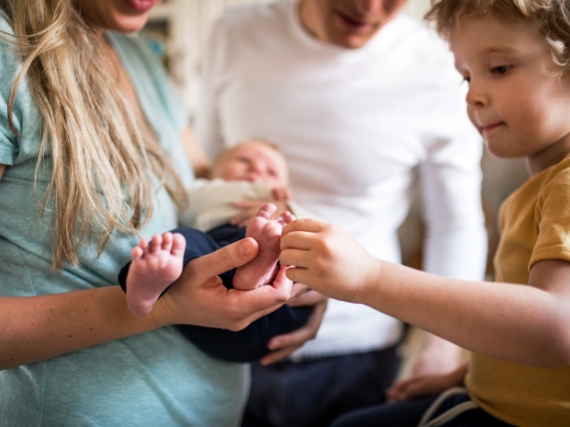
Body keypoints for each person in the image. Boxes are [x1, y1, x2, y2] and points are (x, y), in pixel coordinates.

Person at [0, 1, 322, 426]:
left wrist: (298, 274)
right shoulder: (9, 55)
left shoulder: (140, 56)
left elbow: (213, 192)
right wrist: (164, 308)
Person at [196, 0, 487, 425]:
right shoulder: (235, 33)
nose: (369, 7)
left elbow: (454, 223)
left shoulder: (438, 63)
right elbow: (206, 171)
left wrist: (441, 348)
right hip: (231, 338)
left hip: (358, 350)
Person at [280, 0, 570, 425]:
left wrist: (371, 278)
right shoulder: (541, 189)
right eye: (466, 76)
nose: (472, 93)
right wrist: (469, 373)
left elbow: (555, 328)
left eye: (500, 68)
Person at [118, 140, 314, 363]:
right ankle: (149, 287)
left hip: (278, 310)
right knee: (182, 241)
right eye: (244, 161)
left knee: (289, 250)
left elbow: (323, 232)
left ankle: (260, 268)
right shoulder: (205, 192)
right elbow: (192, 201)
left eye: (271, 171)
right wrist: (266, 192)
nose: (257, 170)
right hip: (209, 301)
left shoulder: (288, 208)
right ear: (212, 173)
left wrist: (289, 207)